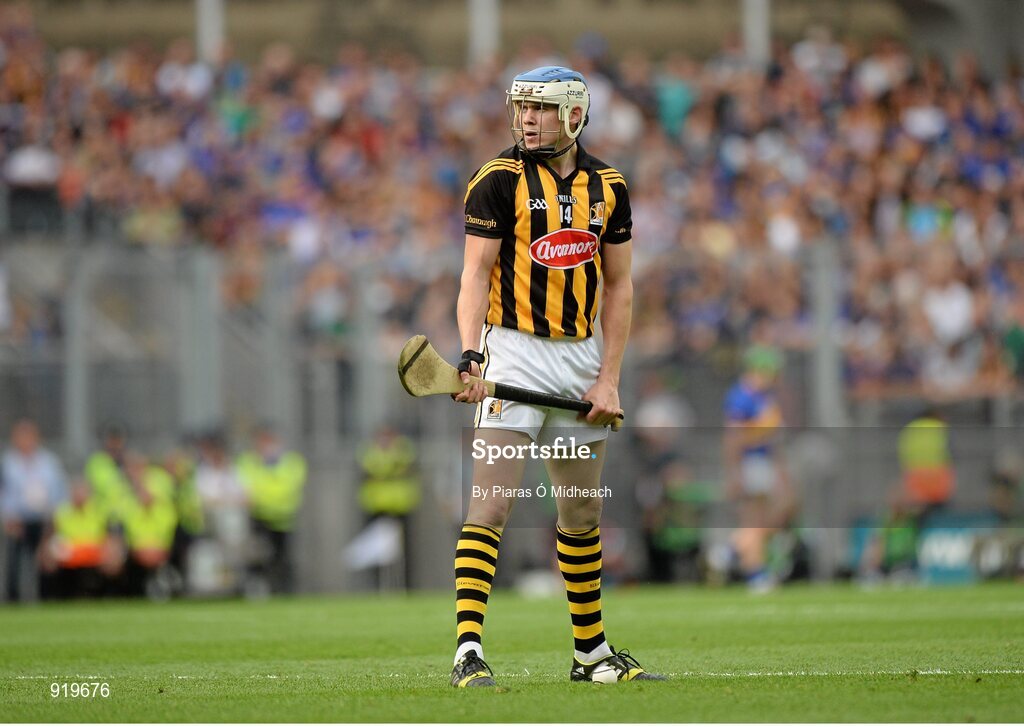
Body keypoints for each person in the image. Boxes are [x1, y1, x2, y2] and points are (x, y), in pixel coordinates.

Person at [449, 65, 664, 687]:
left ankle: (590, 655)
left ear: (573, 114)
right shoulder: (497, 180)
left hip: (579, 360)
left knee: (580, 513)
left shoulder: (610, 186)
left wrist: (609, 378)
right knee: (490, 507)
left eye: (539, 109)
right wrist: (471, 354)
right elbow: (473, 275)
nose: (526, 120)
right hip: (512, 351)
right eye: (521, 108)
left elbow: (620, 287)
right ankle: (468, 651)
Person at [722, 345, 795, 593]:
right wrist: (735, 472)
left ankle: (730, 552)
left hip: (763, 463)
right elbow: (734, 438)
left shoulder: (763, 398)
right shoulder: (742, 396)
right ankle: (755, 573)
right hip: (751, 462)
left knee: (769, 518)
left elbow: (773, 439)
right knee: (755, 521)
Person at [1, 419, 68, 602]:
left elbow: (58, 490)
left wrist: (54, 517)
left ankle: (47, 599)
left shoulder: (48, 461)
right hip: (18, 520)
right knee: (15, 562)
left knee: (46, 560)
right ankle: (13, 599)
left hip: (43, 519)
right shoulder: (8, 463)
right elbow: (5, 492)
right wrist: (8, 516)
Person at [236, 424, 307, 594]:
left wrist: (261, 496)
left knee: (282, 558)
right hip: (259, 517)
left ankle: (284, 590)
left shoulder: (291, 462)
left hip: (284, 519)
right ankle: (258, 590)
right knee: (257, 556)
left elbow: (288, 488)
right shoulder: (249, 461)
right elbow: (244, 487)